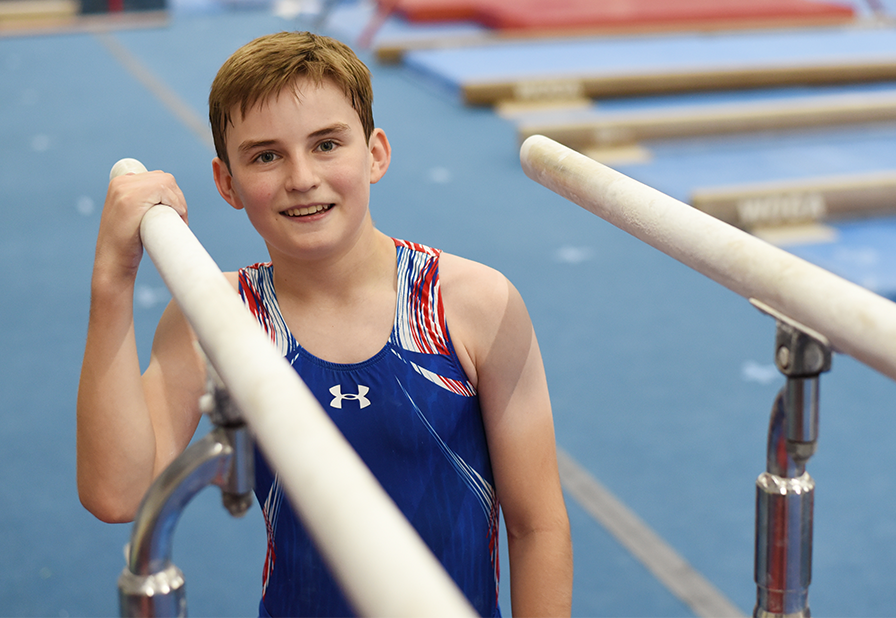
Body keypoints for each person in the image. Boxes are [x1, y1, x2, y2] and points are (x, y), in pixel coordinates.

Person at [76, 31, 572, 618]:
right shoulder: (216, 317)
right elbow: (118, 494)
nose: (302, 177)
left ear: (376, 154)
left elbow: (537, 526)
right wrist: (112, 281)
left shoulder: (474, 305)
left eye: (327, 144)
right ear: (227, 182)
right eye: (266, 155)